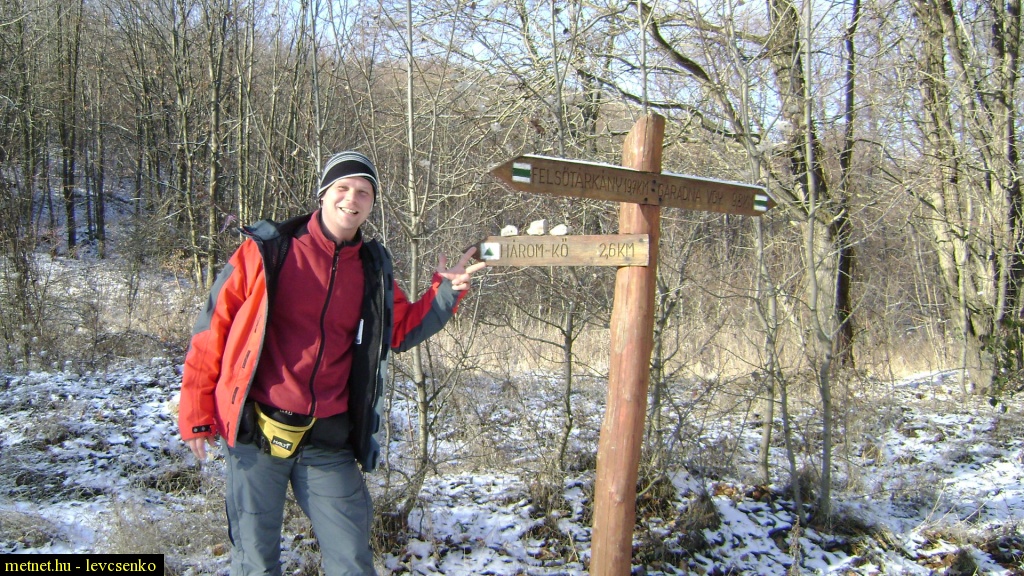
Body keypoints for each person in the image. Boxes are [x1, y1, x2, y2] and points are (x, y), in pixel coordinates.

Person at [178, 150, 485, 576]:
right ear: (323, 194)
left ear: (372, 204)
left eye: (364, 192)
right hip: (257, 433)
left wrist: (446, 292)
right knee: (255, 562)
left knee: (352, 560)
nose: (351, 199)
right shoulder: (267, 250)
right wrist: (196, 412)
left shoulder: (373, 269)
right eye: (343, 188)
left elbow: (399, 331)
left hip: (328, 439)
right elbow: (212, 329)